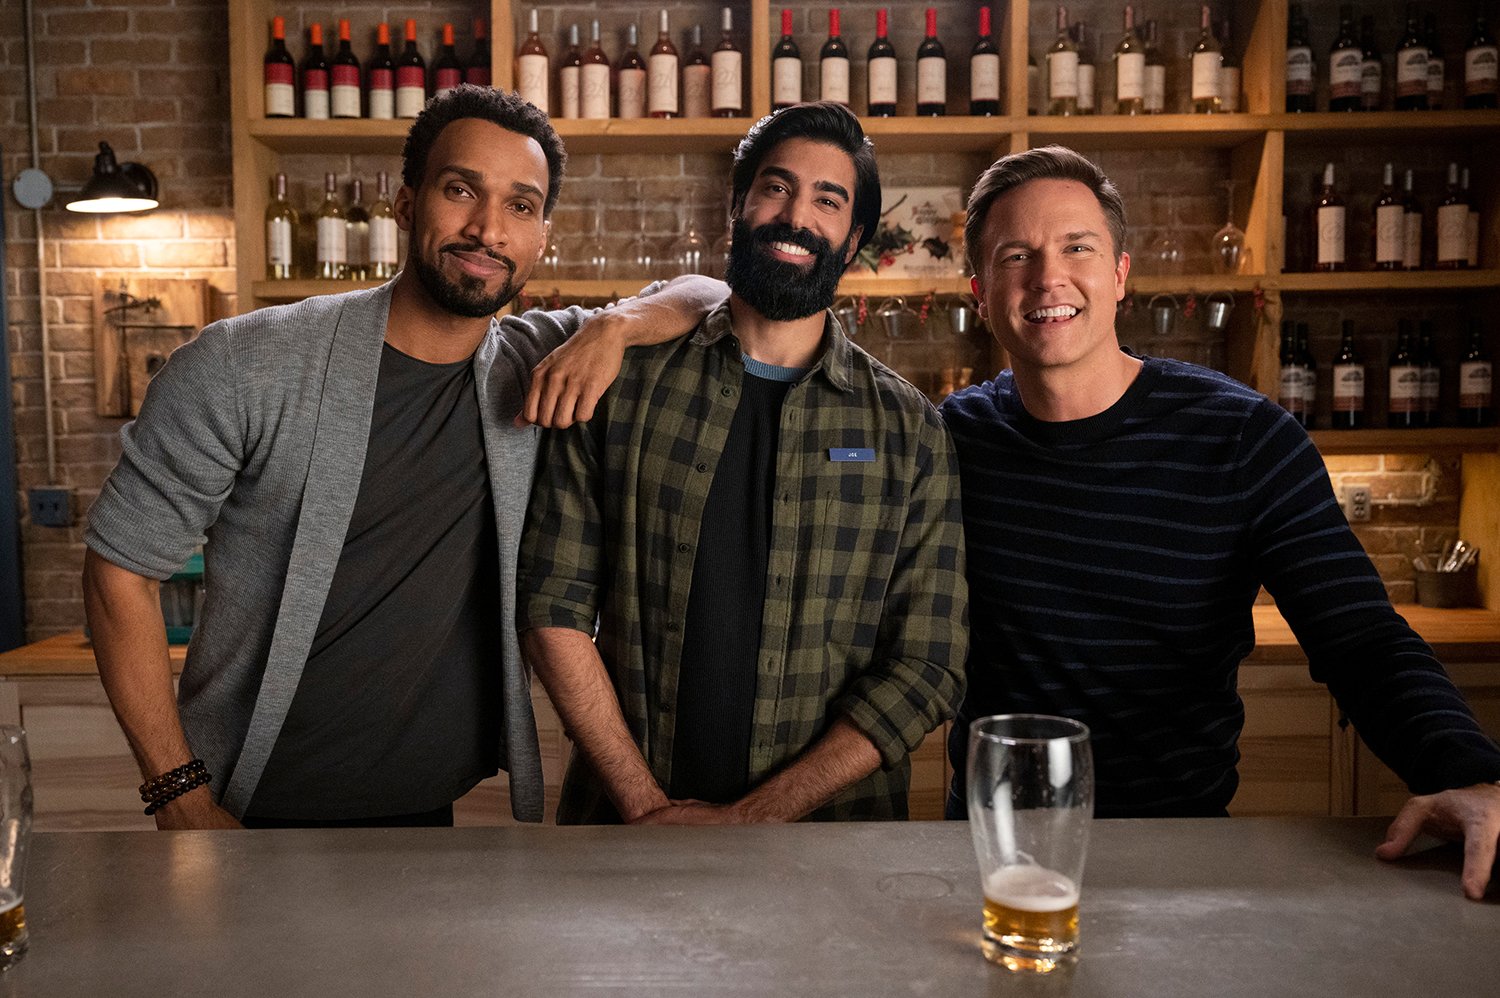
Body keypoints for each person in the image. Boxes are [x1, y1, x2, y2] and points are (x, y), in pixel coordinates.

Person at [82, 85, 726, 830]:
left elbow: (709, 291)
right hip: (246, 811)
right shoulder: (245, 363)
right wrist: (179, 795)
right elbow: (117, 570)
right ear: (406, 201)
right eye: (461, 191)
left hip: (427, 814)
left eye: (520, 206)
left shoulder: (532, 359)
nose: (488, 229)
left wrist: (614, 327)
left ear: (542, 235)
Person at [943, 144, 1500, 898]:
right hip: (991, 862)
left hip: (1182, 859)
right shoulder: (948, 441)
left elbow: (1362, 638)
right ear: (980, 292)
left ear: (1119, 276)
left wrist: (1472, 776)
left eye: (1078, 247)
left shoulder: (1243, 438)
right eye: (1017, 255)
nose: (1048, 277)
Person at [518, 102, 968, 825]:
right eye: (776, 187)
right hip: (623, 834)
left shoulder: (910, 430)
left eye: (829, 200)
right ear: (736, 207)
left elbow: (927, 664)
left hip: (830, 852)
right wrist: (643, 807)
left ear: (853, 239)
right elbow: (552, 604)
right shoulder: (619, 385)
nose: (796, 216)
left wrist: (752, 819)